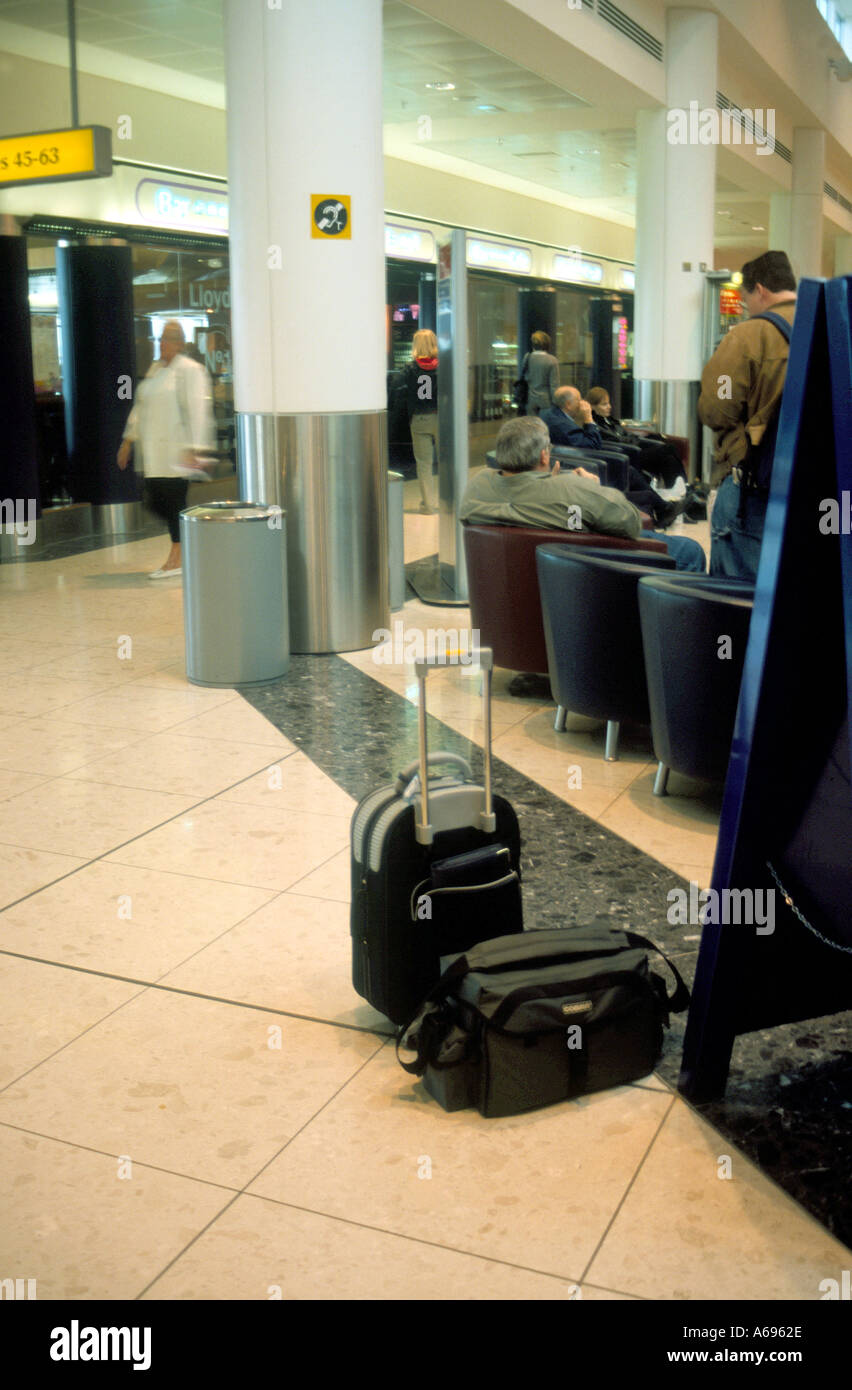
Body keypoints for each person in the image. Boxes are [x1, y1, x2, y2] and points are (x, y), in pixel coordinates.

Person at [464, 415, 706, 575]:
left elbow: (525, 501)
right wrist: (594, 488)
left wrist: (551, 483)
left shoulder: (477, 487)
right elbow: (631, 523)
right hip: (592, 570)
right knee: (689, 550)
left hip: (523, 579)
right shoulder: (574, 489)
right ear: (543, 456)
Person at [699, 250, 797, 580]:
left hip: (754, 489)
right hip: (824, 493)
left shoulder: (748, 335)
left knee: (737, 600)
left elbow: (717, 407)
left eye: (746, 300)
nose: (746, 308)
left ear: (761, 290)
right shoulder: (834, 325)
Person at [117, 321, 215, 578]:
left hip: (177, 451)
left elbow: (197, 410)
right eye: (161, 338)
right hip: (154, 454)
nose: (163, 343)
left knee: (173, 503)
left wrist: (195, 448)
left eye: (169, 338)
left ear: (180, 343)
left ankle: (178, 556)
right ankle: (185, 549)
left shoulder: (190, 371)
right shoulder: (156, 371)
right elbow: (140, 406)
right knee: (155, 500)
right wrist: (128, 440)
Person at [542, 386, 686, 529]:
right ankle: (662, 506)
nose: (582, 403)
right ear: (568, 404)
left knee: (633, 469)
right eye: (579, 400)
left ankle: (661, 506)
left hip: (582, 457)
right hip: (580, 465)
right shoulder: (561, 423)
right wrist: (589, 418)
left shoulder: (554, 415)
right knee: (631, 471)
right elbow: (591, 445)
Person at [587, 386, 695, 497]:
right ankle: (683, 487)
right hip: (629, 455)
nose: (609, 407)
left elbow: (626, 435)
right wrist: (634, 440)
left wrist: (640, 439)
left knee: (668, 457)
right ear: (593, 406)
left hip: (635, 448)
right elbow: (617, 440)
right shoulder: (595, 425)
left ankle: (676, 492)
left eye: (609, 403)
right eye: (604, 404)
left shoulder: (610, 421)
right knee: (668, 448)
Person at [401, 328, 439, 513]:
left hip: (420, 418)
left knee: (424, 464)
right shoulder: (444, 366)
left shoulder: (410, 368)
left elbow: (403, 394)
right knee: (448, 461)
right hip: (441, 418)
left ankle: (428, 505)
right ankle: (450, 502)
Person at [522, 330, 560, 415]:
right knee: (545, 426)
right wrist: (556, 402)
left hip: (531, 399)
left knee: (532, 425)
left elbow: (526, 377)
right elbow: (554, 385)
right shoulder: (552, 360)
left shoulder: (527, 357)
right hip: (546, 401)